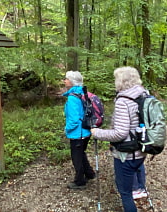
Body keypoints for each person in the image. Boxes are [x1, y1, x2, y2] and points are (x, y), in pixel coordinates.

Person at [91, 66, 147, 211]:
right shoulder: (143, 94)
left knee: (125, 193)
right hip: (142, 148)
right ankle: (140, 189)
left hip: (126, 153)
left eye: (116, 79)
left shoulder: (124, 100)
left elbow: (120, 133)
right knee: (136, 174)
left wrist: (97, 132)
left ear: (121, 81)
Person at [62, 70, 96, 189]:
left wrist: (66, 129)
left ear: (71, 82)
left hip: (78, 132)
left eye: (66, 79)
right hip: (86, 130)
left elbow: (74, 120)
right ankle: (90, 173)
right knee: (81, 153)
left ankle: (79, 181)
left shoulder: (72, 98)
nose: (64, 81)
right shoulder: (83, 93)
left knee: (76, 156)